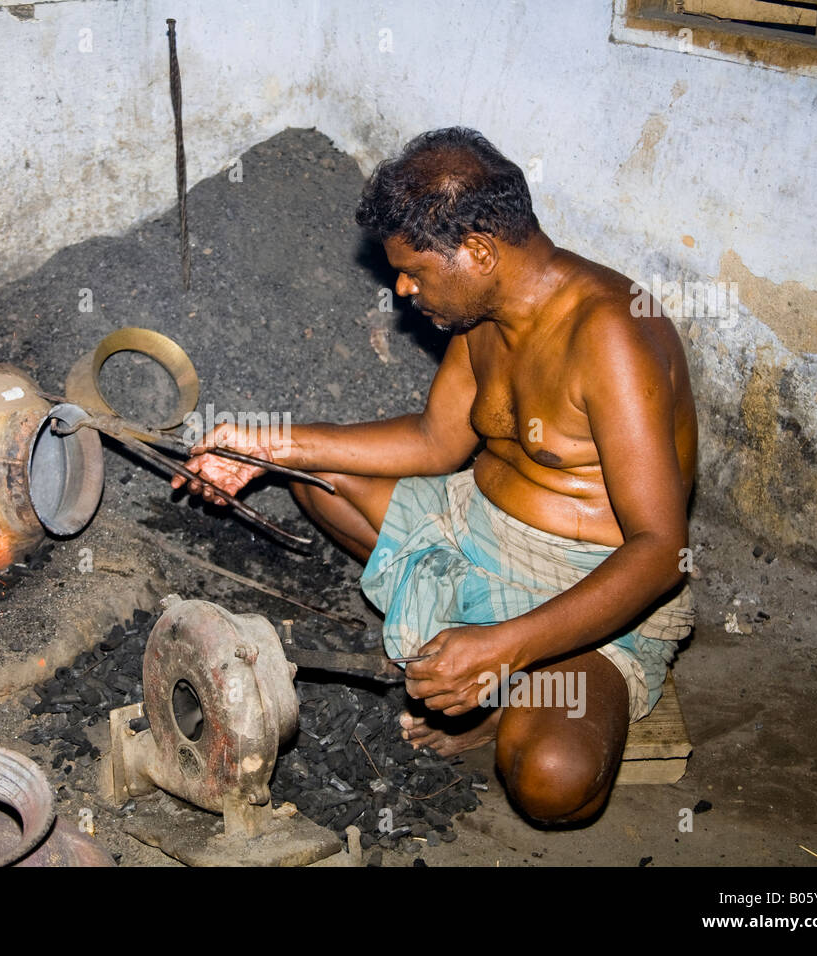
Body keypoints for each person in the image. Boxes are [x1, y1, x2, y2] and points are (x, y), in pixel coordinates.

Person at [173, 127, 696, 825]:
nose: (402, 287)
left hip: (591, 586)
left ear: (479, 251)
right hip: (472, 524)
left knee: (552, 780)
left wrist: (503, 649)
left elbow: (661, 553)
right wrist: (269, 445)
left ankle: (511, 677)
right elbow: (434, 439)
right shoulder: (482, 311)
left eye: (415, 271)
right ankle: (488, 670)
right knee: (316, 476)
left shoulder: (611, 337)